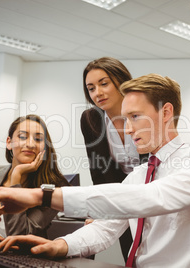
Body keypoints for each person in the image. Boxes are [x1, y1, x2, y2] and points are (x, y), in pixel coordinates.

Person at [0, 73, 190, 268]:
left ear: (165, 113)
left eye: (135, 117)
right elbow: (104, 228)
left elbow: (149, 198)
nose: (128, 129)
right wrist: (59, 245)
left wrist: (43, 195)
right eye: (125, 119)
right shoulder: (139, 175)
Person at [80, 57, 147, 261]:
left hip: (152, 193)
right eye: (91, 88)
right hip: (120, 199)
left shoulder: (145, 111)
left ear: (121, 81)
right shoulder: (91, 119)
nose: (97, 93)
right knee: (130, 257)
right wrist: (98, 210)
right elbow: (98, 171)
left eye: (104, 83)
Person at [0, 114, 70, 244]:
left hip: (21, 259)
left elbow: (19, 236)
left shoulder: (54, 188)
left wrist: (16, 177)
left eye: (38, 139)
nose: (31, 144)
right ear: (9, 143)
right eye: (22, 137)